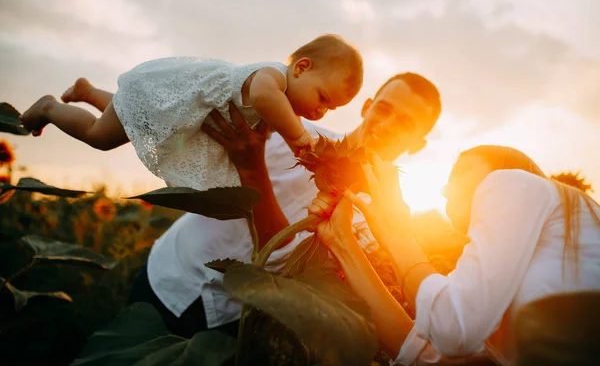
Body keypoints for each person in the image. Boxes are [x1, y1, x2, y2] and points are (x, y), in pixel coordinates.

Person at [127, 72, 442, 339]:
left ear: (418, 144)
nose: (387, 126)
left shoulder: (380, 221)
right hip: (172, 272)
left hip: (233, 316)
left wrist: (253, 171)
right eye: (384, 110)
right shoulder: (292, 132)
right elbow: (195, 144)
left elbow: (283, 265)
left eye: (405, 124)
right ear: (367, 107)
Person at [308, 145, 600, 365]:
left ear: (504, 169)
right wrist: (342, 242)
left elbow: (452, 329)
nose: (444, 189)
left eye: (459, 172)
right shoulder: (515, 278)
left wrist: (396, 231)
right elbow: (427, 356)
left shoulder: (510, 181)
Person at [19, 34, 363, 191]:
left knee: (132, 121)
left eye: (330, 109)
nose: (321, 111)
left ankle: (89, 92)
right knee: (100, 136)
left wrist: (315, 159)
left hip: (171, 109)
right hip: (171, 93)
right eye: (323, 97)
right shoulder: (271, 78)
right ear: (301, 68)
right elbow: (263, 98)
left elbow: (290, 135)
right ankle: (50, 107)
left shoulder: (285, 103)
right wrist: (302, 139)